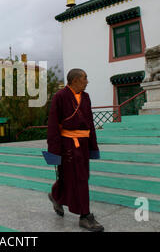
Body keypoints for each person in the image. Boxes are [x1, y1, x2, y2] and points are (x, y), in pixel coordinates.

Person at [46, 68, 104, 232]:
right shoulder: (60, 96)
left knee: (70, 176)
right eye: (85, 78)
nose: (87, 81)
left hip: (83, 144)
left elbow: (90, 123)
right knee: (80, 178)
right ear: (75, 80)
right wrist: (54, 152)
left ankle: (56, 195)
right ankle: (85, 216)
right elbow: (52, 126)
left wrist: (93, 146)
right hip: (67, 145)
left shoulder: (86, 97)